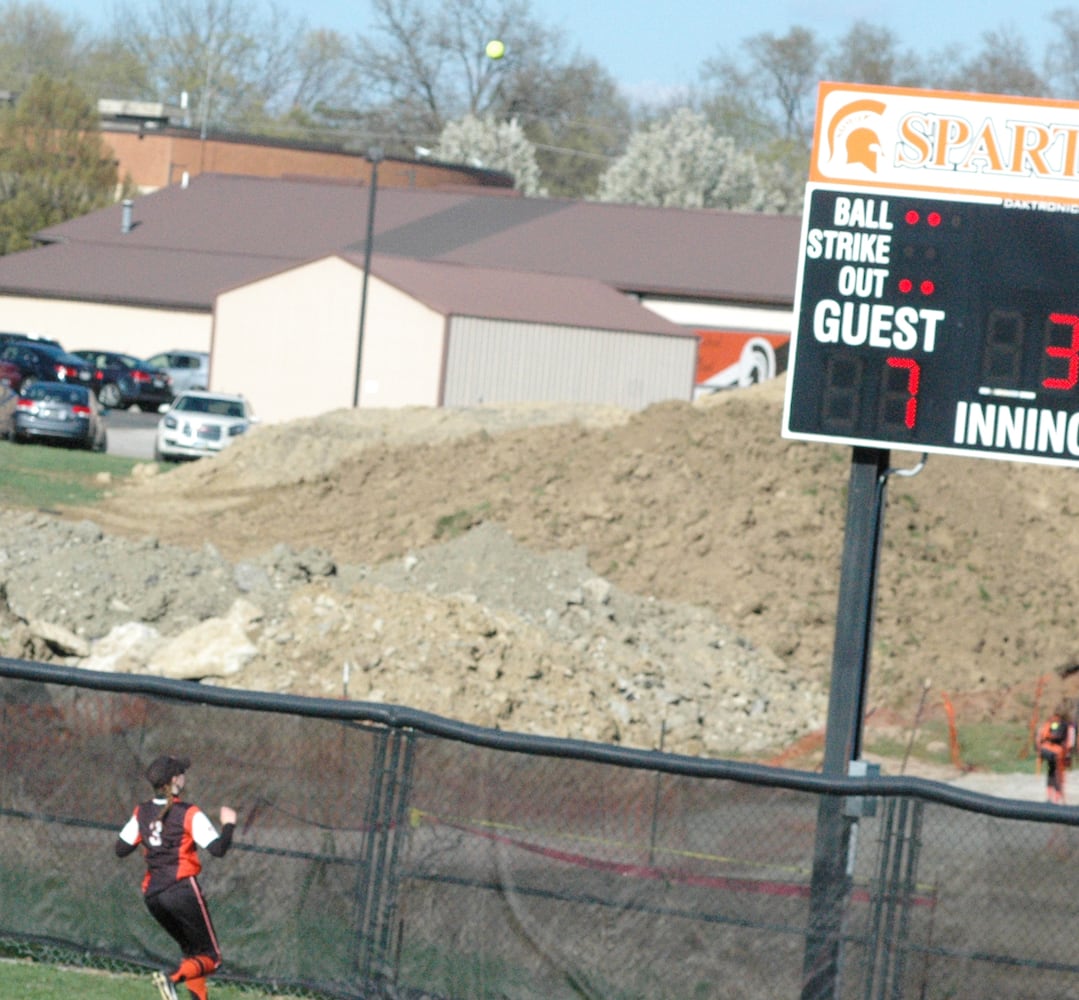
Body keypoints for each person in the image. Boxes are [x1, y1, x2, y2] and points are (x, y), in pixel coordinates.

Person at [115, 754, 237, 1000]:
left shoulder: (142, 812)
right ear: (175, 781)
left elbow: (121, 849)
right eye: (182, 773)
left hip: (153, 895)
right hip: (181, 890)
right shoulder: (188, 812)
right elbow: (218, 849)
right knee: (212, 958)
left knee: (193, 955)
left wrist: (150, 837)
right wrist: (229, 824)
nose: (184, 776)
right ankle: (171, 979)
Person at [1035, 706, 1076, 804]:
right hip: (1058, 753)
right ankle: (1057, 798)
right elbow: (1070, 743)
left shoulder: (1052, 723)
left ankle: (1049, 797)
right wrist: (1068, 755)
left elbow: (1042, 735)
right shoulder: (1069, 726)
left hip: (1046, 750)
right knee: (1059, 775)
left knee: (1051, 772)